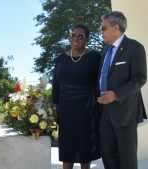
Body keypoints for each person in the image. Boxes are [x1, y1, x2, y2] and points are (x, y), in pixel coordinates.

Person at [97, 11, 147, 169]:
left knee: (127, 159)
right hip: (104, 112)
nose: (101, 32)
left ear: (116, 27)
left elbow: (140, 78)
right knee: (109, 157)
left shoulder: (135, 47)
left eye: (104, 28)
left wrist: (116, 94)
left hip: (125, 112)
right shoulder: (105, 49)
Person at [52, 24, 101, 169]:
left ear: (87, 39)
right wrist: (55, 106)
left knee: (84, 147)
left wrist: (99, 111)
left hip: (86, 109)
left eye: (81, 36)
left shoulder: (95, 57)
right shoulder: (61, 58)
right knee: (67, 146)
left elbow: (100, 84)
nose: (76, 38)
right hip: (66, 110)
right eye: (73, 35)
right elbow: (56, 84)